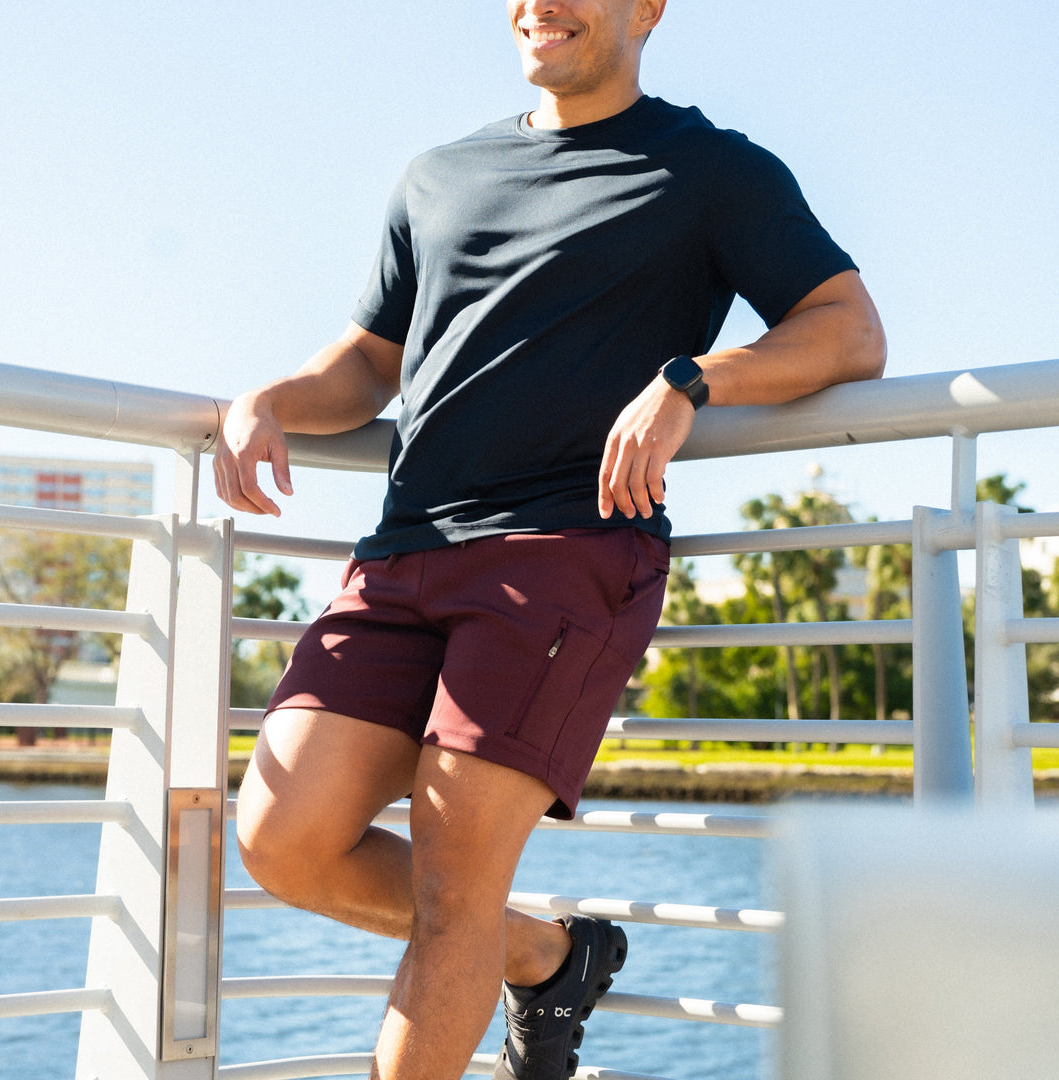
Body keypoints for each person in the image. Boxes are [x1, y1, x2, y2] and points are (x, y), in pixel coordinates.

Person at [213, 2, 886, 1078]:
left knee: (453, 892)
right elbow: (370, 363)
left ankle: (516, 951)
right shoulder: (438, 175)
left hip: (568, 553)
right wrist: (268, 400)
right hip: (403, 553)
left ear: (648, 9)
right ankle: (545, 957)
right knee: (281, 841)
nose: (541, 5)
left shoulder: (712, 169)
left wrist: (691, 381)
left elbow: (848, 329)